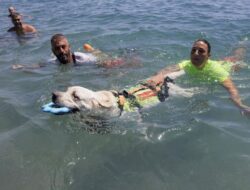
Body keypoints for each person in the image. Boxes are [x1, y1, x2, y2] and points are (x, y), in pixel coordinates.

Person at [145, 39, 250, 115]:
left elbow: (231, 88)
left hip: (229, 66)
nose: (196, 53)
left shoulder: (216, 70)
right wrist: (154, 80)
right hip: (217, 63)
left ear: (208, 56)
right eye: (193, 50)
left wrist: (240, 105)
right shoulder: (187, 64)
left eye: (201, 51)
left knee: (237, 58)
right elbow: (166, 70)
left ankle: (243, 44)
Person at [12, 33, 128, 69]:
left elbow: (105, 61)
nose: (61, 51)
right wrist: (22, 67)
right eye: (57, 48)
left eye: (63, 47)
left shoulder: (83, 59)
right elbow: (39, 65)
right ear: (53, 51)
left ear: (69, 47)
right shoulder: (52, 61)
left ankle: (91, 49)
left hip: (90, 56)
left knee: (97, 54)